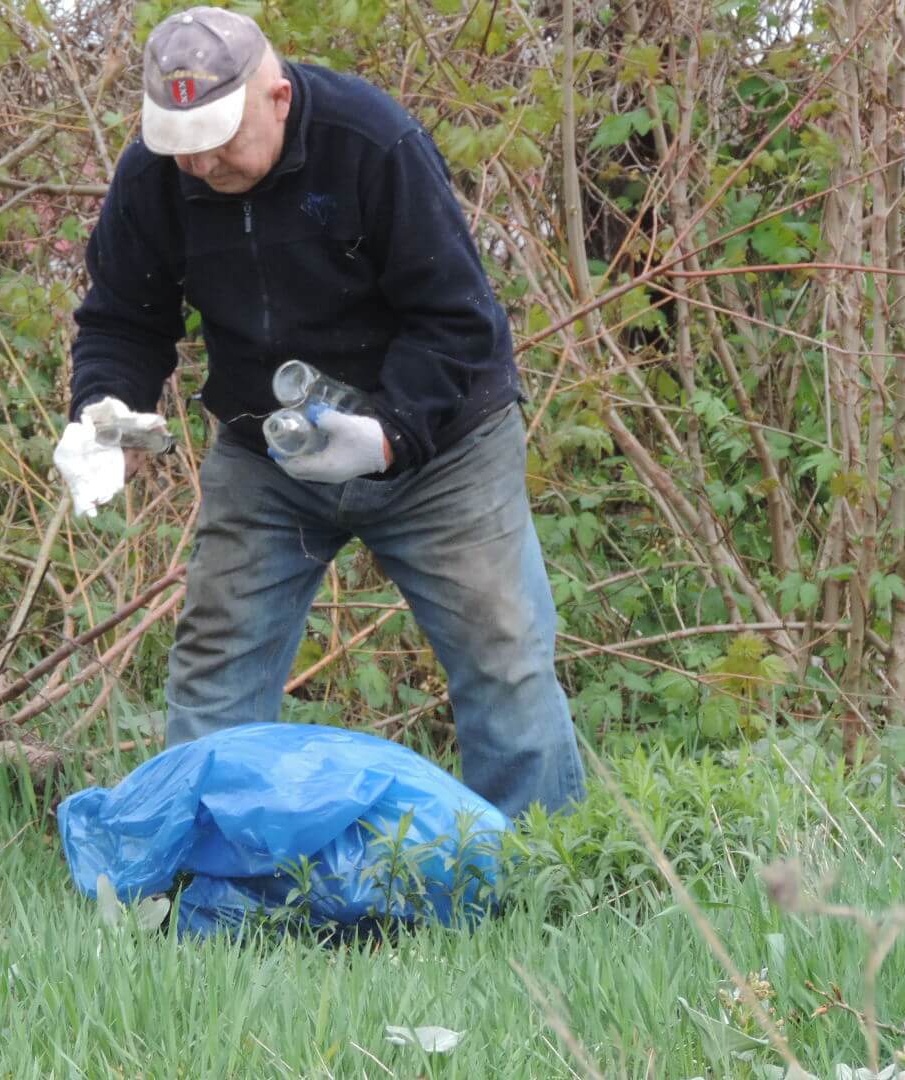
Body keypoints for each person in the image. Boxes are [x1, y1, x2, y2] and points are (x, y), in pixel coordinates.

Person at [52, 6, 585, 819]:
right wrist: (104, 414)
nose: (199, 160)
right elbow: (126, 315)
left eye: (220, 136)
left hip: (440, 451)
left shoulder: (371, 144)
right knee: (214, 664)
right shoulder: (157, 176)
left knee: (504, 656)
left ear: (276, 96)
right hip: (268, 456)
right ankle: (201, 880)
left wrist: (387, 435)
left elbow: (458, 320)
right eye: (180, 141)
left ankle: (545, 876)